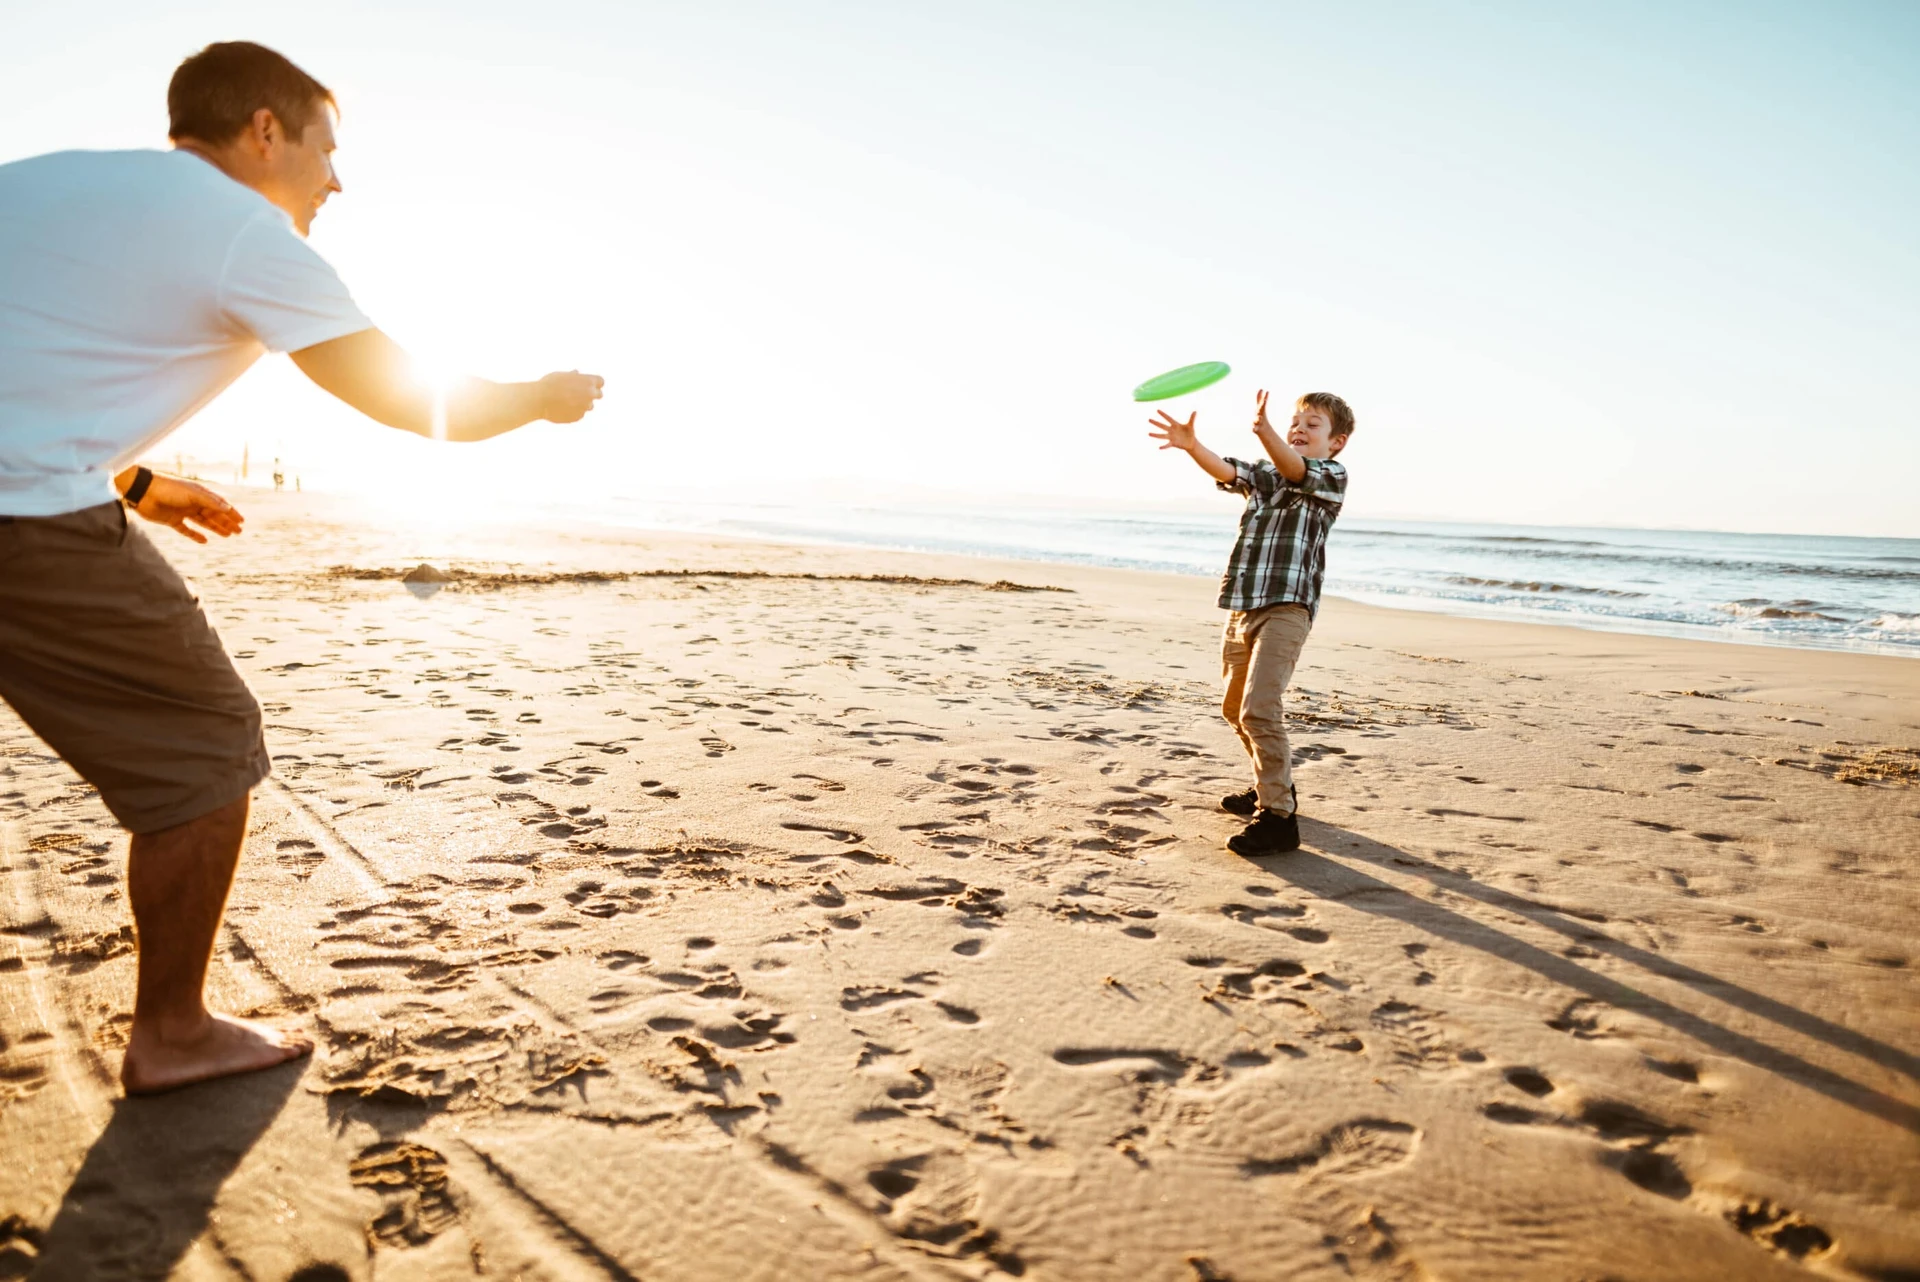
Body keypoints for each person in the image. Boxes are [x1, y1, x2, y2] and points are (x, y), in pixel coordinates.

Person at [0, 41, 605, 1094]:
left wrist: (140, 485)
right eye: (327, 148)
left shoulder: (52, 181)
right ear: (265, 131)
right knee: (203, 743)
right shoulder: (242, 229)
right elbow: (404, 395)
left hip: (38, 483)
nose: (337, 178)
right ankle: (175, 1034)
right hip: (25, 520)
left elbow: (34, 366)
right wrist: (539, 398)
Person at [1148, 389, 1354, 855]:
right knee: (1234, 708)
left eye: (1313, 425)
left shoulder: (1329, 478)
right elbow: (1228, 469)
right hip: (1243, 606)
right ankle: (1271, 786)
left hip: (1287, 608)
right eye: (1295, 422)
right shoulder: (1266, 477)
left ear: (1336, 442)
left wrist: (1266, 433)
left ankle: (1279, 819)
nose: (1299, 429)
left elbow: (1296, 469)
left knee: (1259, 708)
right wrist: (1191, 445)